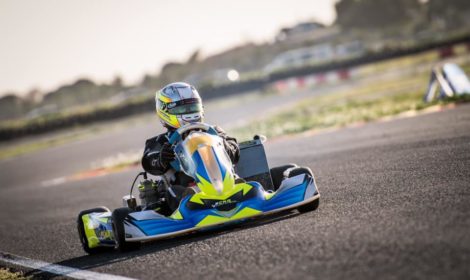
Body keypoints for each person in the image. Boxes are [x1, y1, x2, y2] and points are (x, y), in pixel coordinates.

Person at [141, 82, 240, 213]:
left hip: (225, 183)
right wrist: (161, 159)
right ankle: (189, 204)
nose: (189, 112)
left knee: (241, 181)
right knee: (175, 192)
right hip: (184, 191)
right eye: (182, 109)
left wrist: (223, 144)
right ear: (164, 111)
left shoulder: (214, 132)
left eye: (193, 107)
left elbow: (235, 150)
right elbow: (148, 162)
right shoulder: (159, 142)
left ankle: (236, 190)